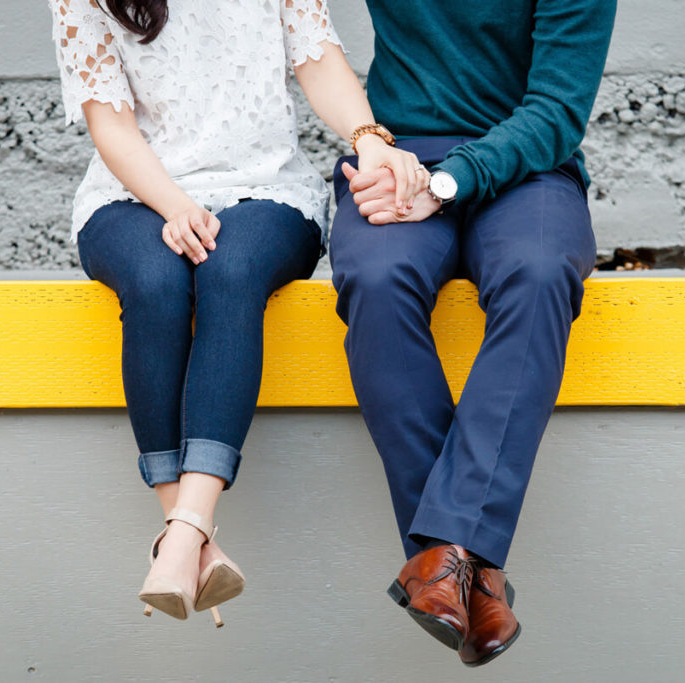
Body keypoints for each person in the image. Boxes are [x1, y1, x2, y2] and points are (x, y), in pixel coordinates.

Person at [47, 0, 427, 625]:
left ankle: (180, 537)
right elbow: (110, 126)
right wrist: (174, 204)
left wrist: (367, 137)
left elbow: (318, 58)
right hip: (135, 193)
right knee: (154, 281)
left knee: (229, 271)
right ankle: (191, 539)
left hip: (265, 188)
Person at [329, 0, 617, 665]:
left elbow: (557, 111)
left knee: (542, 272)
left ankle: (439, 562)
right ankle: (470, 572)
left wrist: (451, 181)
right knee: (375, 279)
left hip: (529, 163)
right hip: (399, 155)